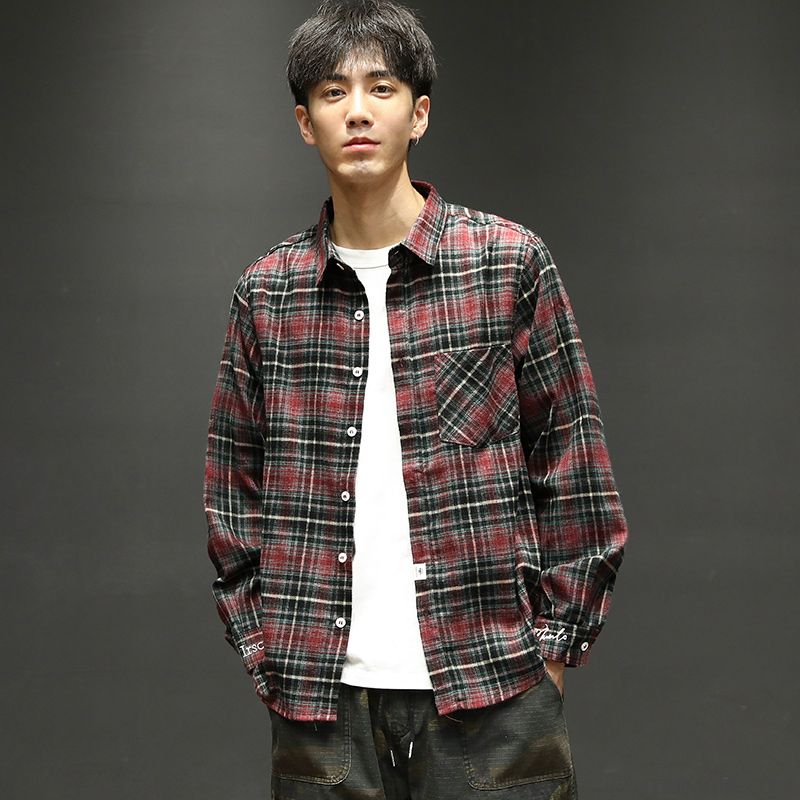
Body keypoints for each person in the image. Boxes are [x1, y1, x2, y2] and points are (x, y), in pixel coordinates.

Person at [203, 1, 628, 797]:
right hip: (321, 701)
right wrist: (266, 650)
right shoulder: (267, 295)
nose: (358, 111)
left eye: (381, 87)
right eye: (333, 93)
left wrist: (553, 651)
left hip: (494, 686)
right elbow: (234, 495)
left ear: (419, 113)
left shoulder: (506, 263)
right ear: (305, 123)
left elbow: (574, 466)